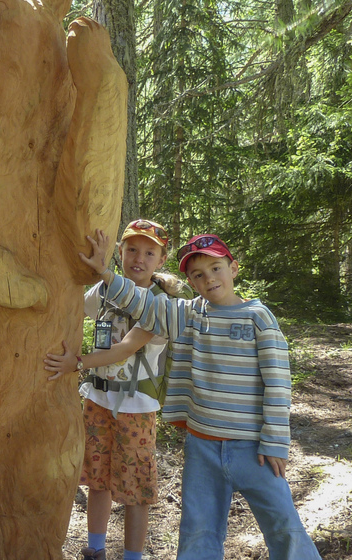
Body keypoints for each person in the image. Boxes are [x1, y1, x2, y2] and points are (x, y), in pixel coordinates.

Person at [77, 230, 322, 560]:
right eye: (198, 274)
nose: (209, 279)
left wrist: (276, 442)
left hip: (254, 450)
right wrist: (106, 274)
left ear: (233, 268)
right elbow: (144, 302)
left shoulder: (258, 318)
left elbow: (278, 384)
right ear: (191, 281)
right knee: (197, 532)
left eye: (216, 268)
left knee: (284, 527)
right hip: (202, 447)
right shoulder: (189, 315)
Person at [45, 219, 186, 560]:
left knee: (135, 489)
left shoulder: (161, 302)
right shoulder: (105, 291)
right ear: (120, 253)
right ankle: (95, 550)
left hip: (137, 406)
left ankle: (132, 556)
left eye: (149, 252)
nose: (139, 258)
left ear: (161, 260)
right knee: (98, 478)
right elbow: (74, 308)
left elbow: (125, 348)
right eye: (132, 249)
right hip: (97, 398)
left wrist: (75, 363)